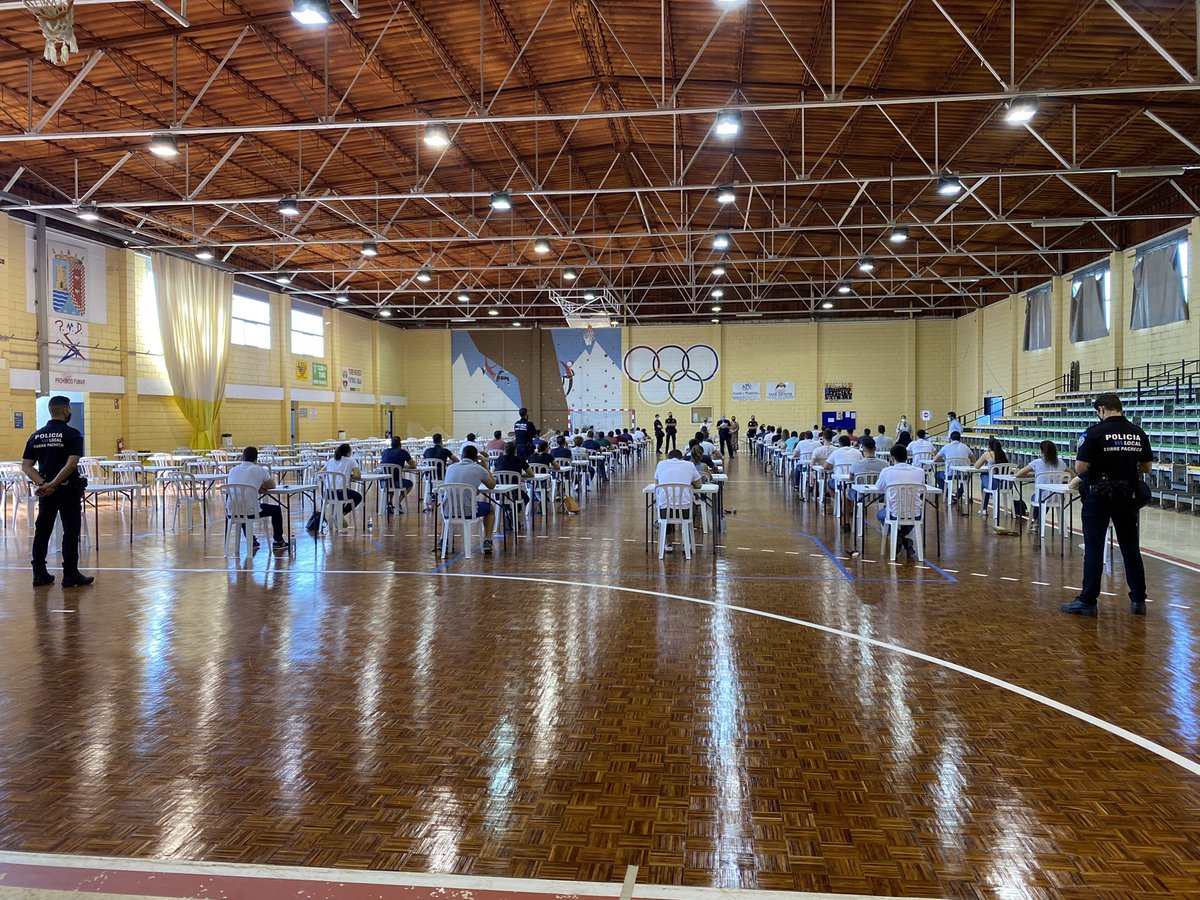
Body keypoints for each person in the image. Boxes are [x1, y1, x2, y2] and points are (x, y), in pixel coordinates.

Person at [1062, 393, 1153, 617]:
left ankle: (1088, 600)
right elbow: (1147, 467)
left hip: (1099, 496)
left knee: (1094, 548)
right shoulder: (1137, 432)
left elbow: (1081, 468)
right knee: (1130, 548)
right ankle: (1139, 600)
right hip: (1127, 496)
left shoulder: (1093, 433)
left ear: (1101, 409)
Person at [21, 395, 93, 588]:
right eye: (68, 409)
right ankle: (70, 574)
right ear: (65, 411)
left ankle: (39, 573)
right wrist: (53, 483)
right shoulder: (72, 434)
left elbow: (26, 466)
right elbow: (71, 464)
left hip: (47, 493)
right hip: (67, 490)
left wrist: (43, 484)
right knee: (70, 531)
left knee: (42, 531)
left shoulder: (36, 436)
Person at [227, 446, 287, 550]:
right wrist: (258, 487)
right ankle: (278, 540)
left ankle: (251, 540)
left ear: (242, 457)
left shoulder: (232, 470)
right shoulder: (259, 470)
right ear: (256, 458)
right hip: (250, 510)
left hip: (231, 511)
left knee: (242, 507)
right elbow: (272, 485)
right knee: (276, 509)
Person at [875, 444, 927, 560]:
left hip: (894, 513)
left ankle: (898, 537)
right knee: (911, 516)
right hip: (916, 515)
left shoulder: (886, 471)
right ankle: (904, 539)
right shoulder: (920, 471)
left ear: (892, 458)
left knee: (880, 514)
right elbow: (921, 486)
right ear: (907, 457)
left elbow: (879, 487)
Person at [443, 445, 497, 554]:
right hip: (468, 511)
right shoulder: (479, 469)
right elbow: (492, 485)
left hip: (447, 511)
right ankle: (487, 540)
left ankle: (443, 540)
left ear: (462, 455)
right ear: (476, 458)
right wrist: (485, 467)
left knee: (451, 503)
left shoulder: (450, 468)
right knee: (490, 508)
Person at [653, 448, 702, 555]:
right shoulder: (689, 465)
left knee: (665, 505)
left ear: (668, 458)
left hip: (665, 511)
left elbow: (657, 484)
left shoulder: (661, 464)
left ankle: (668, 543)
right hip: (685, 510)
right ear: (682, 458)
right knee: (693, 508)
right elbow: (699, 485)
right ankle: (686, 543)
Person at [308, 443, 362, 531]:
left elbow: (321, 473)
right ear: (348, 452)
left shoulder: (330, 460)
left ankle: (338, 516)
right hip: (341, 493)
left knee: (346, 494)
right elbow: (358, 476)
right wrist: (349, 476)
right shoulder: (351, 460)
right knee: (358, 497)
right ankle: (340, 514)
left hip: (327, 493)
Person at [1014, 440, 1068, 528]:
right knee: (1049, 497)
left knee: (1037, 497)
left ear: (1042, 451)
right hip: (1058, 497)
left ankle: (1036, 521)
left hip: (1042, 497)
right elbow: (1072, 474)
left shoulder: (1036, 462)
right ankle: (1037, 521)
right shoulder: (1061, 463)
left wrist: (1035, 475)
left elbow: (1018, 474)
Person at [933, 431, 975, 502]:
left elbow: (935, 459)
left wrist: (945, 459)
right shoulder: (965, 447)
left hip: (950, 474)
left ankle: (947, 494)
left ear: (950, 439)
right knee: (967, 478)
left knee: (936, 474)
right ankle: (959, 494)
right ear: (960, 439)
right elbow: (974, 460)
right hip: (963, 474)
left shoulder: (946, 447)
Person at [380, 436, 416, 513]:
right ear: (400, 444)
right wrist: (402, 466)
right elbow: (413, 465)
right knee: (410, 484)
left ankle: (389, 502)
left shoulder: (384, 452)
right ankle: (398, 501)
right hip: (397, 482)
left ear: (391, 444)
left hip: (384, 482)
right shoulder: (403, 452)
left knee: (390, 482)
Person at [974, 436, 1009, 516]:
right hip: (1005, 484)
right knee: (985, 480)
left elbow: (976, 466)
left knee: (983, 476)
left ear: (989, 446)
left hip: (994, 484)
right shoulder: (1004, 454)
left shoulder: (988, 454)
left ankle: (984, 508)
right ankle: (985, 507)